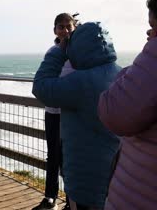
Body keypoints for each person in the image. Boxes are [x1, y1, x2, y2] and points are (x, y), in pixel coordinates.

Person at [32, 22, 121, 209]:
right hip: (118, 176)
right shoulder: (122, 74)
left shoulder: (81, 82)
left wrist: (59, 51)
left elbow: (40, 87)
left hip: (85, 180)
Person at [98, 0, 157, 209]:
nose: (149, 33)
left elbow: (115, 110)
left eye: (153, 26)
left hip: (138, 193)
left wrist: (151, 51)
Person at [32, 13, 77, 210]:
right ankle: (50, 197)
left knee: (70, 159)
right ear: (55, 30)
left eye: (69, 26)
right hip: (53, 112)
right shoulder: (52, 51)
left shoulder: (79, 53)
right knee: (53, 157)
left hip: (71, 113)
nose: (65, 30)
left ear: (74, 28)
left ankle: (70, 201)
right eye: (61, 27)